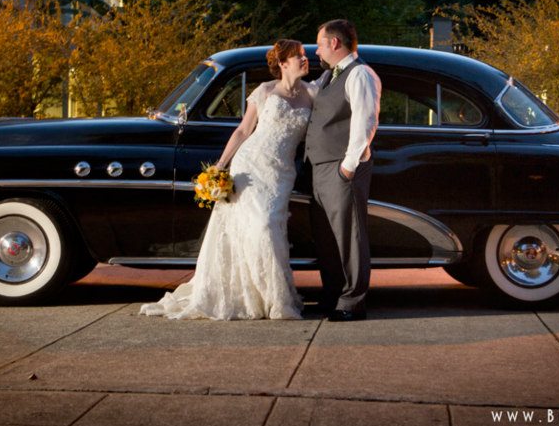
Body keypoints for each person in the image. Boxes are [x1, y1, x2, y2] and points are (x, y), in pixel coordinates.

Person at [139, 40, 316, 320]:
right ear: (283, 64)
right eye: (299, 57)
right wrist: (221, 165)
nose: (305, 60)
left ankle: (274, 298)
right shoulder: (265, 91)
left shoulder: (311, 93)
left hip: (281, 172)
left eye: (304, 57)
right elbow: (244, 131)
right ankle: (263, 297)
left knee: (270, 226)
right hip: (250, 165)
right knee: (257, 227)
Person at [305, 19, 381, 322]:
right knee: (327, 238)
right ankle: (333, 294)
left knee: (349, 237)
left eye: (320, 43)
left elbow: (365, 121)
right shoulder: (327, 76)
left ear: (334, 43)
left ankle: (352, 302)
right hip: (319, 168)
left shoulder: (360, 73)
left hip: (341, 168)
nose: (317, 50)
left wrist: (348, 168)